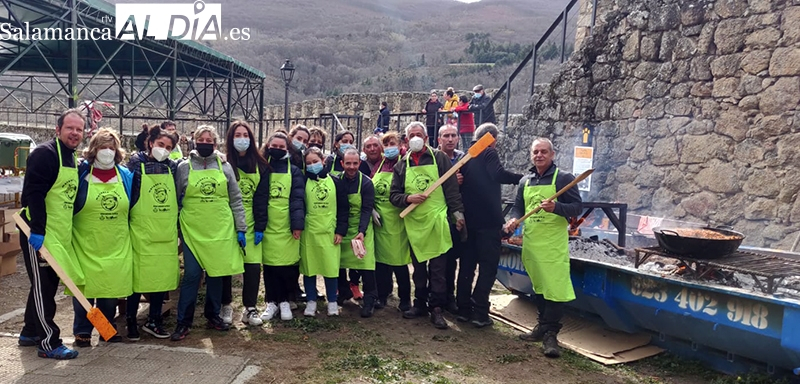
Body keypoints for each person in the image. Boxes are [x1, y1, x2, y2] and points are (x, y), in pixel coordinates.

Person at [504, 137, 582, 358]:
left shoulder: (564, 179)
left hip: (553, 246)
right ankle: (541, 326)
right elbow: (518, 208)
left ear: (552, 154)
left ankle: (550, 335)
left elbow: (577, 207)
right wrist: (513, 220)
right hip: (532, 243)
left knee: (554, 290)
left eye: (544, 152)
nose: (539, 155)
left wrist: (556, 207)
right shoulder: (525, 181)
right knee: (539, 286)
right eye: (535, 152)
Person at [18, 109, 84, 359]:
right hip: (38, 232)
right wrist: (37, 230)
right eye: (70, 128)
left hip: (59, 233)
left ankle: (29, 331)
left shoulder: (72, 158)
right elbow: (33, 193)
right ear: (58, 130)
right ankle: (48, 342)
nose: (74, 133)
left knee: (44, 285)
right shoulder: (45, 154)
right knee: (43, 288)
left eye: (79, 129)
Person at [172, 126, 246, 341]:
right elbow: (177, 199)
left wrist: (241, 228)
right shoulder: (183, 167)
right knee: (192, 274)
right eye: (201, 139)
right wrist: (176, 228)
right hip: (192, 229)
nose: (205, 143)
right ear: (195, 142)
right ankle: (183, 322)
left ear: (215, 144)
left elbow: (236, 199)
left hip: (220, 228)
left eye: (209, 140)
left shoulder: (225, 167)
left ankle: (212, 314)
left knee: (217, 273)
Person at [389, 122, 465, 329]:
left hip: (437, 221)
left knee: (439, 269)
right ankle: (419, 304)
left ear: (426, 138)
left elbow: (451, 191)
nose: (415, 138)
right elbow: (393, 196)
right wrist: (408, 198)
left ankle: (437, 308)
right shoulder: (401, 165)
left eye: (419, 134)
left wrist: (458, 216)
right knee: (419, 269)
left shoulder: (440, 158)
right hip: (415, 225)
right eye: (411, 135)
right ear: (406, 140)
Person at [69, 128, 133, 347]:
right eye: (102, 147)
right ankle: (82, 331)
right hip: (85, 243)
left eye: (111, 147)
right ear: (93, 150)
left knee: (109, 291)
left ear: (117, 151)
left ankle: (106, 329)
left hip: (115, 243)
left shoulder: (124, 176)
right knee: (84, 291)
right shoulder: (81, 174)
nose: (107, 151)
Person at [457, 123, 522, 328]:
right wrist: (522, 179)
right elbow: (497, 174)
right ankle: (480, 313)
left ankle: (463, 310)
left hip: (469, 222)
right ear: (491, 138)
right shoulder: (488, 153)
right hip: (488, 223)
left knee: (467, 266)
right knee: (487, 268)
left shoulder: (465, 157)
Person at [125, 125, 180, 341]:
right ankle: (130, 319)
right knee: (136, 277)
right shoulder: (135, 163)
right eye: (160, 145)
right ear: (150, 143)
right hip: (141, 230)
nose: (163, 150)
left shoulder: (173, 167)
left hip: (165, 232)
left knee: (160, 276)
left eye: (168, 147)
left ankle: (154, 320)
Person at [220, 121, 270, 326]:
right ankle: (225, 305)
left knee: (251, 267)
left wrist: (259, 226)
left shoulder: (261, 165)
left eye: (245, 135)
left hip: (251, 221)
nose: (242, 139)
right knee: (225, 266)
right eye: (237, 135)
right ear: (231, 139)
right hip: (227, 222)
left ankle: (250, 308)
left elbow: (262, 198)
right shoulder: (223, 163)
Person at [260, 132, 305, 322]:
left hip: (287, 225)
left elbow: (297, 199)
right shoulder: (262, 168)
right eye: (275, 146)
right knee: (269, 265)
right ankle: (271, 301)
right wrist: (260, 225)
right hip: (268, 225)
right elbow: (260, 198)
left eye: (282, 147)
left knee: (287, 265)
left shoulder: (294, 171)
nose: (278, 150)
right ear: (268, 147)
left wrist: (296, 224)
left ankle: (285, 300)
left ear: (287, 149)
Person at [300, 148, 349, 317]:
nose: (312, 165)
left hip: (330, 232)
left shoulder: (336, 182)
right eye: (308, 163)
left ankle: (332, 301)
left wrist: (340, 231)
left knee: (331, 268)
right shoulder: (303, 181)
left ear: (323, 161)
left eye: (315, 161)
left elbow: (344, 209)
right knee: (309, 267)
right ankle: (311, 300)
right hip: (309, 232)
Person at [373, 132, 411, 311]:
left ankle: (405, 299)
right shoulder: (379, 165)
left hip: (398, 220)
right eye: (386, 144)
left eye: (392, 143)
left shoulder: (405, 164)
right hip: (380, 222)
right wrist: (371, 209)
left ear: (400, 144)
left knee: (400, 263)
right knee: (381, 263)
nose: (389, 147)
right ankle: (382, 295)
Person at [336, 148, 377, 317]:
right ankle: (344, 291)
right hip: (342, 229)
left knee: (366, 266)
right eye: (348, 163)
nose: (351, 167)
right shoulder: (336, 181)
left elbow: (367, 209)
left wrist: (361, 231)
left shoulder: (366, 183)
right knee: (337, 263)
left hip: (362, 228)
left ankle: (369, 300)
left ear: (359, 163)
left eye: (355, 163)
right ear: (342, 164)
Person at [437, 125, 464, 314]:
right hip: (435, 214)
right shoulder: (432, 159)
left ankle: (449, 297)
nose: (450, 139)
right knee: (436, 260)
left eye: (453, 135)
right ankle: (435, 297)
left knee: (452, 258)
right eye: (446, 135)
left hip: (455, 213)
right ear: (439, 139)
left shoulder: (464, 159)